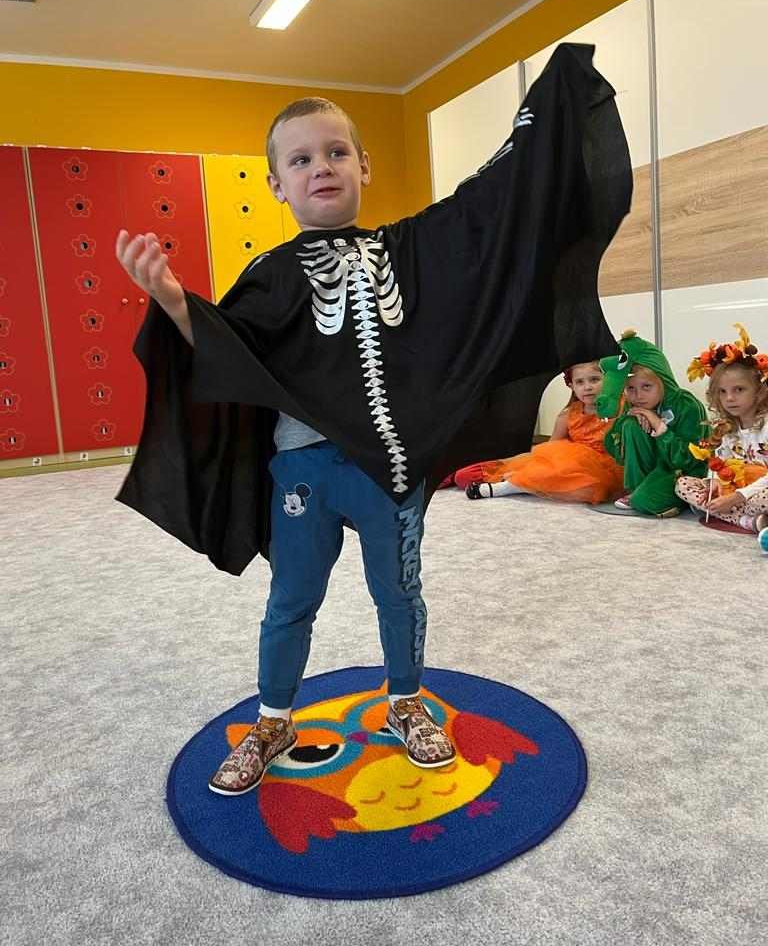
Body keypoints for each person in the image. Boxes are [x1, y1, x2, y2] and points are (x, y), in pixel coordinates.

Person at [114, 44, 631, 796]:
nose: (320, 167)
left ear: (364, 165)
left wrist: (549, 112)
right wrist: (171, 300)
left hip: (390, 467)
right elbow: (226, 351)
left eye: (336, 152)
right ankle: (273, 719)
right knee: (292, 598)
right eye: (299, 160)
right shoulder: (270, 275)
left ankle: (405, 702)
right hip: (304, 469)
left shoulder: (412, 249)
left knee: (399, 591)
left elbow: (489, 208)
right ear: (276, 184)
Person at [460, 361, 624, 504]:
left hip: (609, 466)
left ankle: (519, 485)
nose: (587, 387)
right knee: (557, 470)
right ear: (572, 386)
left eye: (594, 380)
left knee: (591, 489)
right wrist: (529, 468)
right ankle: (515, 483)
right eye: (579, 382)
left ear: (608, 380)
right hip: (572, 464)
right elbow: (551, 450)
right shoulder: (568, 415)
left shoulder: (622, 406)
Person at [596, 331, 707, 516]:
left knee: (644, 501)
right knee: (630, 425)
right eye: (630, 388)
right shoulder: (633, 406)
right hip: (655, 472)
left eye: (646, 387)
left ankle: (680, 499)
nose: (638, 395)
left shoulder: (686, 405)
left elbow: (691, 459)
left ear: (663, 381)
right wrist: (626, 420)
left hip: (683, 472)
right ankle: (637, 489)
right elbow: (614, 450)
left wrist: (659, 426)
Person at [675, 325, 768, 532]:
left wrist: (738, 497)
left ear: (760, 391)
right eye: (722, 392)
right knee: (683, 485)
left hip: (758, 492)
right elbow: (720, 462)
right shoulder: (726, 428)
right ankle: (750, 521)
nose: (730, 398)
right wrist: (715, 482)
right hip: (735, 488)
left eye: (739, 390)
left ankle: (735, 513)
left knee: (762, 498)